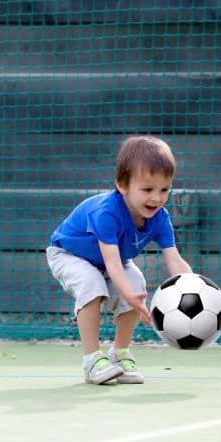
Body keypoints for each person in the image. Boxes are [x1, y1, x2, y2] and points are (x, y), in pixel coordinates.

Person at [46, 136, 192, 384]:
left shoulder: (160, 217)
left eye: (164, 189)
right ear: (123, 185)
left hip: (106, 261)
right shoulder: (107, 212)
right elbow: (112, 263)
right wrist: (131, 298)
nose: (156, 198)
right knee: (92, 283)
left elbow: (174, 258)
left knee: (135, 282)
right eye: (147, 189)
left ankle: (120, 353)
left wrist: (193, 287)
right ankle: (92, 360)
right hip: (68, 254)